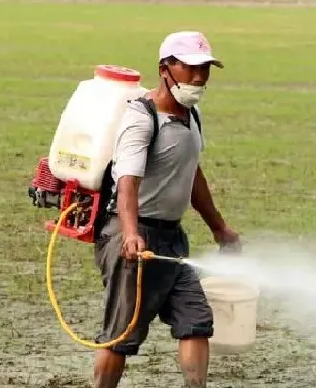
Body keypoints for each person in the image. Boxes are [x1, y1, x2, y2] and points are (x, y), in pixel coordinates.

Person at [92, 31, 240, 388]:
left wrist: (219, 228)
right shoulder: (142, 119)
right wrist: (130, 235)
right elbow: (127, 182)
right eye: (191, 68)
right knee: (121, 334)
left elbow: (191, 174)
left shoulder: (193, 115)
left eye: (205, 68)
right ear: (166, 69)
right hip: (132, 236)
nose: (200, 77)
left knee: (196, 323)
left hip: (173, 240)